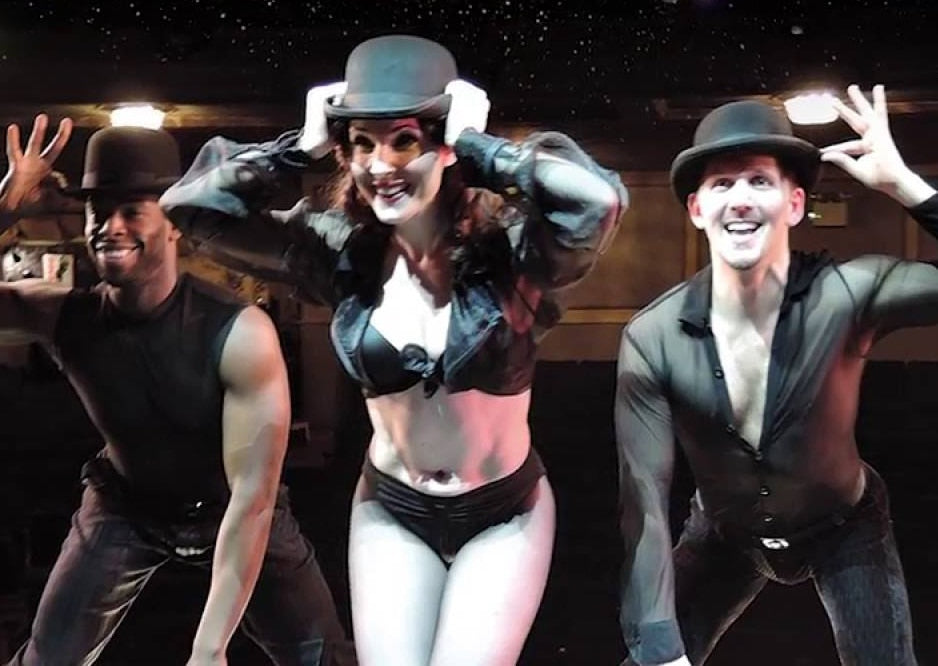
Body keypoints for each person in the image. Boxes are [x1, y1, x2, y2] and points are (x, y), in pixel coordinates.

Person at [160, 34, 628, 666]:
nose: (381, 164)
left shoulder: (511, 252)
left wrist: (479, 145)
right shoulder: (338, 250)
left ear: (443, 143)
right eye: (362, 143)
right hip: (391, 508)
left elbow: (597, 202)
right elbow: (190, 210)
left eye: (404, 140)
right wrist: (298, 147)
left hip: (504, 513)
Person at [0, 117, 355, 665]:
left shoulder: (238, 331)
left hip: (233, 509)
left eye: (131, 211)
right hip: (123, 507)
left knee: (320, 659)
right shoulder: (65, 315)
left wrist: (209, 648)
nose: (110, 227)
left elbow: (253, 500)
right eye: (99, 211)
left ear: (172, 223)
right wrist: (6, 205)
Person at [615, 84, 938, 666]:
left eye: (759, 181)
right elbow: (644, 502)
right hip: (725, 534)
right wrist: (659, 648)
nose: (740, 199)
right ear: (697, 210)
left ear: (793, 204)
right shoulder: (652, 336)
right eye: (722, 184)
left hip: (845, 526)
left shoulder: (847, 293)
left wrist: (905, 185)